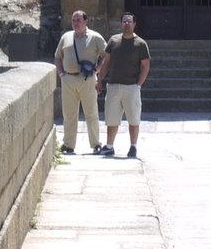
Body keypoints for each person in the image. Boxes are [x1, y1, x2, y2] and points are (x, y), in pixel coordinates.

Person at [95, 11, 150, 158]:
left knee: (133, 118)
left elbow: (145, 66)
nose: (127, 24)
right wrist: (100, 80)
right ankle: (109, 146)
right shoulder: (113, 41)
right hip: (113, 85)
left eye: (129, 21)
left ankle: (133, 146)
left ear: (134, 24)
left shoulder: (141, 44)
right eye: (124, 21)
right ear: (121, 24)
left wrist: (139, 84)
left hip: (131, 86)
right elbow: (106, 62)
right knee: (111, 118)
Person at [54, 10, 107, 154]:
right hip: (68, 79)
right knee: (69, 114)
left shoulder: (95, 37)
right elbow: (58, 57)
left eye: (78, 20)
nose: (75, 23)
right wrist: (61, 74)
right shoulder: (66, 37)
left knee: (91, 113)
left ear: (86, 21)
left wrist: (98, 69)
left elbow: (107, 55)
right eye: (73, 20)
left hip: (87, 79)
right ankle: (68, 145)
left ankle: (96, 143)